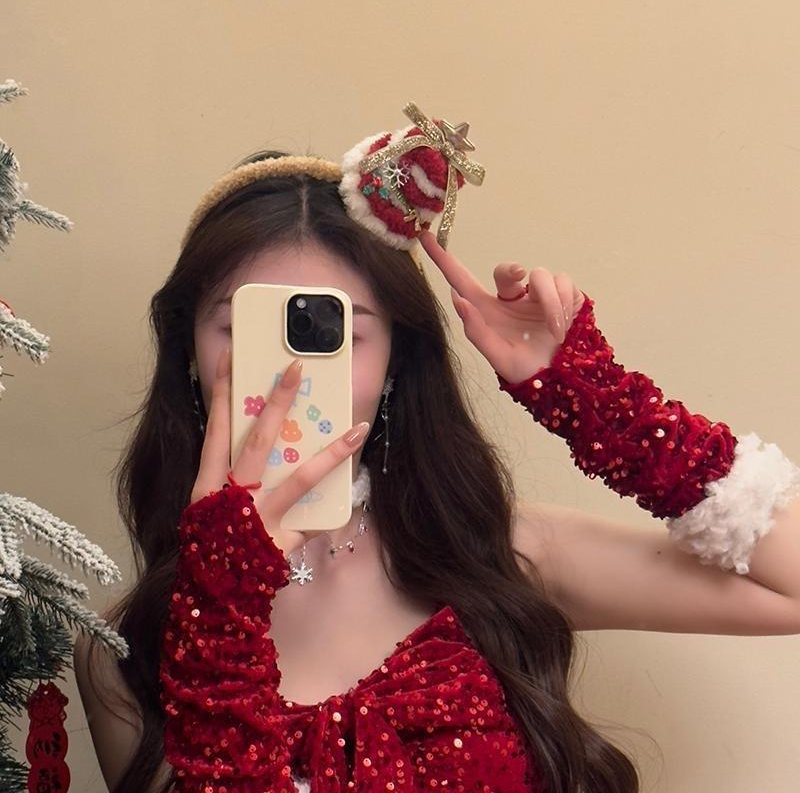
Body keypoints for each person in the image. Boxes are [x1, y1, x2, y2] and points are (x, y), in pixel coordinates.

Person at [74, 103, 800, 793]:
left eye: (337, 334)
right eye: (245, 330)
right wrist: (219, 604)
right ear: (189, 354)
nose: (292, 374)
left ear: (397, 359)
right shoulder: (124, 650)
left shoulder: (502, 551)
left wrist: (594, 401)